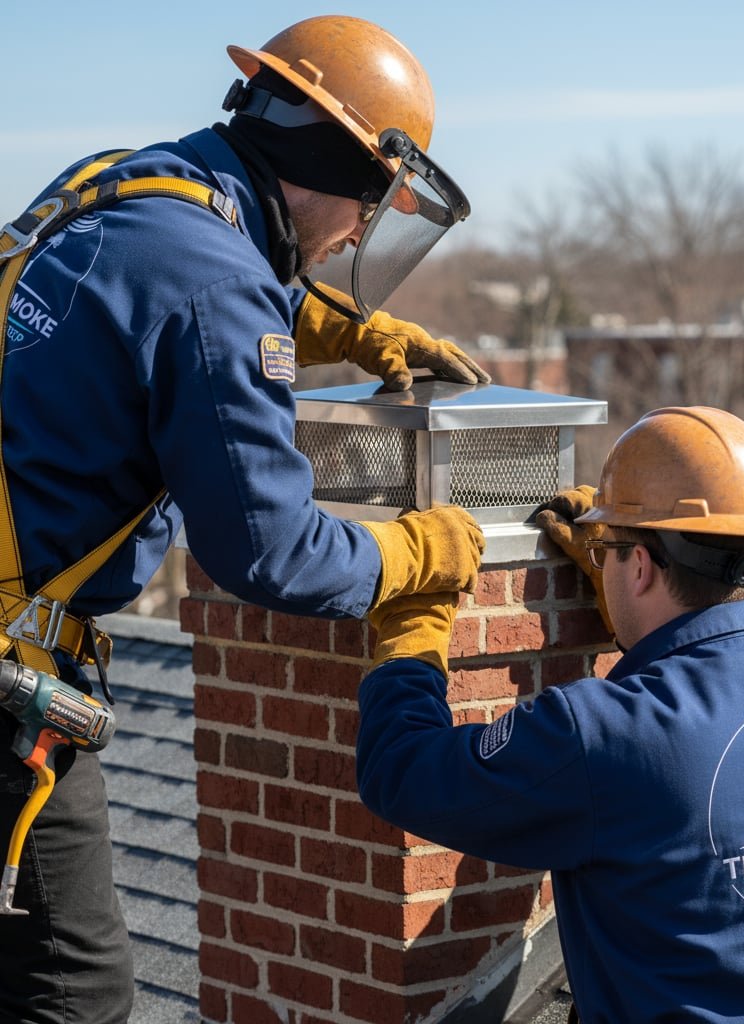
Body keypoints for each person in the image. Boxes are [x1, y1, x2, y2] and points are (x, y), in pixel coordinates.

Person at [0, 15, 486, 1023]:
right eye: (367, 206)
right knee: (73, 991)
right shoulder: (220, 289)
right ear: (326, 167)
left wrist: (347, 329)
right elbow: (270, 549)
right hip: (10, 678)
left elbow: (164, 288)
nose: (359, 232)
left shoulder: (126, 179)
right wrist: (414, 551)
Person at [357, 406, 744, 1024]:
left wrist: (412, 631)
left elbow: (401, 772)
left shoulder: (604, 733)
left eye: (610, 549)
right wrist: (645, 628)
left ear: (640, 567)